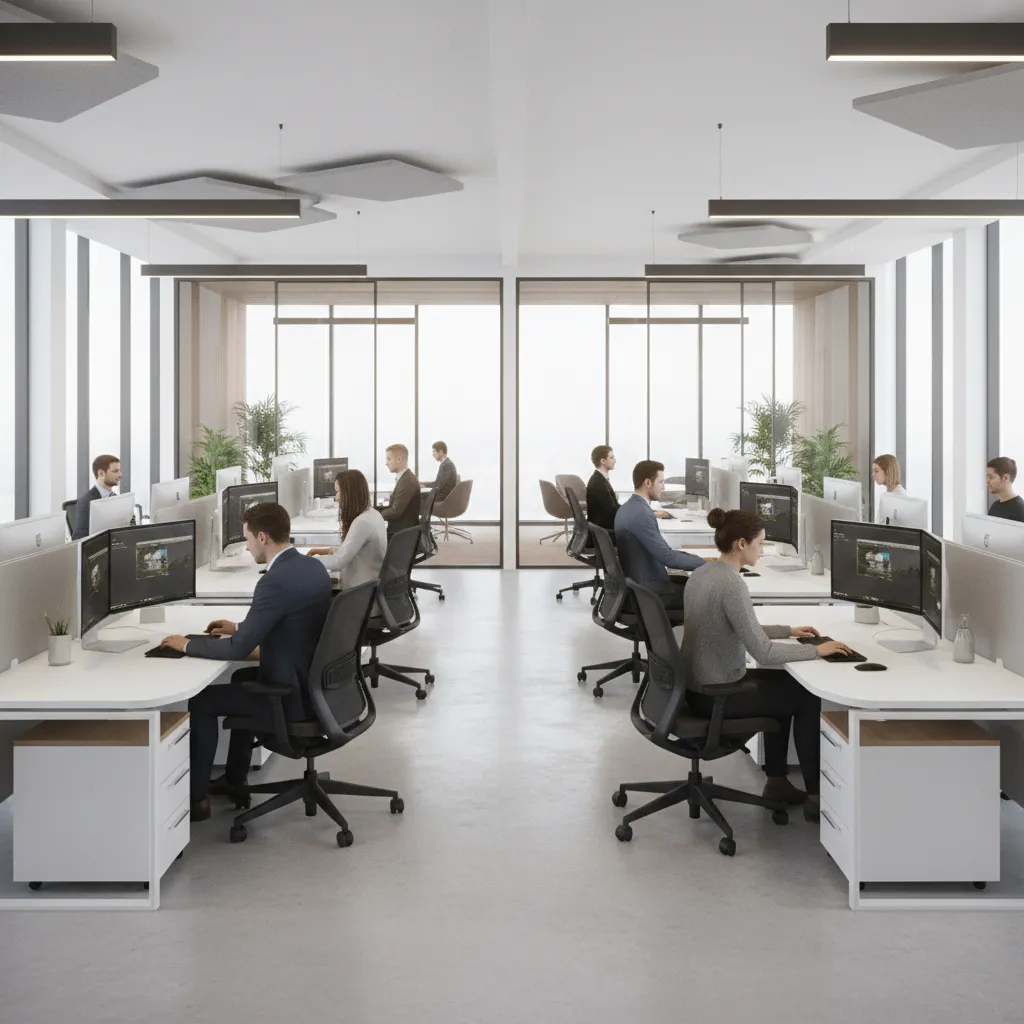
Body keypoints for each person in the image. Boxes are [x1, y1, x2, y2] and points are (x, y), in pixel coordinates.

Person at [159, 502, 332, 822]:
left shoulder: (273, 581)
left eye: (247, 539)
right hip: (317, 686)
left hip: (291, 698)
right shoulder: (311, 567)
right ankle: (235, 778)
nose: (247, 546)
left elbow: (238, 650)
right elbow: (290, 622)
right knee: (240, 681)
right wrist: (239, 627)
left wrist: (187, 645)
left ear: (263, 537)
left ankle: (197, 800)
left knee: (201, 701)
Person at [681, 507, 852, 821]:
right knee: (804, 697)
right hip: (716, 695)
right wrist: (819, 651)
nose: (763, 550)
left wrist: (788, 630)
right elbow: (764, 653)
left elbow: (741, 627)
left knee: (786, 688)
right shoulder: (732, 584)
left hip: (694, 688)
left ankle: (777, 782)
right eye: (760, 544)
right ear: (742, 544)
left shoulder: (703, 573)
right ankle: (814, 796)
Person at [614, 460, 707, 610]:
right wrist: (706, 564)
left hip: (640, 583)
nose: (663, 487)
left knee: (691, 583)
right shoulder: (641, 514)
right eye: (661, 481)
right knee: (708, 596)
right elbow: (667, 557)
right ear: (648, 483)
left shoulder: (628, 508)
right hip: (649, 592)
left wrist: (694, 560)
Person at [306, 469, 387, 589]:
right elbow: (352, 549)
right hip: (370, 584)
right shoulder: (373, 514)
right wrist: (326, 551)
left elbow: (338, 562)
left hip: (360, 591)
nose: (336, 498)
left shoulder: (362, 522)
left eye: (338, 492)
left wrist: (306, 562)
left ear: (349, 494)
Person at [71, 454, 121, 540]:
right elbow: (79, 539)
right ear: (101, 473)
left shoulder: (116, 498)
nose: (120, 474)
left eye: (119, 471)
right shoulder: (86, 502)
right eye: (115, 471)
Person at [377, 444, 421, 540]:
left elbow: (396, 512)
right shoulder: (404, 478)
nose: (386, 463)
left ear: (399, 459)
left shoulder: (407, 481)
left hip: (400, 534)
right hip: (400, 529)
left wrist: (376, 516)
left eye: (389, 459)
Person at [586, 445, 620, 532]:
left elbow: (614, 507)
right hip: (605, 530)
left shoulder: (599, 479)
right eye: (612, 458)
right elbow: (612, 511)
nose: (615, 461)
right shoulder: (598, 483)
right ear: (603, 461)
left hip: (604, 526)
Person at [987, 457, 1024, 522]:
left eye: (991, 477)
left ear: (1006, 478)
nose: (987, 481)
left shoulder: (1020, 510)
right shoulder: (994, 506)